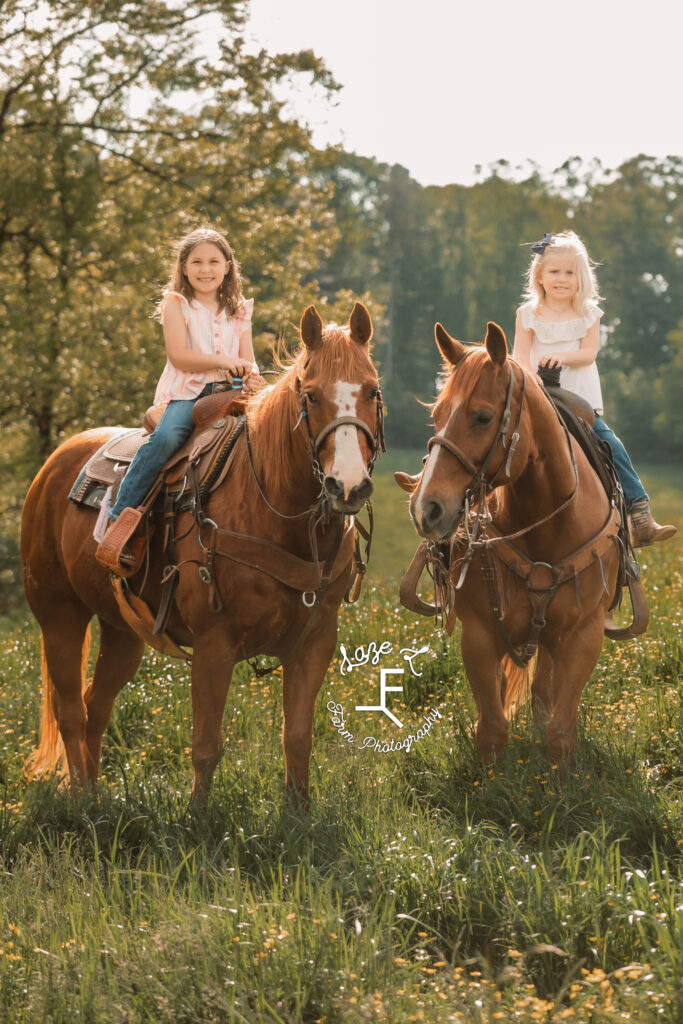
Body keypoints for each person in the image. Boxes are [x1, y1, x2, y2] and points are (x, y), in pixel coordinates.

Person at [97, 226, 260, 568]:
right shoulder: (177, 304)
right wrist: (222, 361)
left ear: (228, 266)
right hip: (190, 393)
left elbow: (247, 357)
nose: (205, 269)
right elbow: (178, 356)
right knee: (166, 439)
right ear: (184, 267)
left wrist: (253, 377)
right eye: (196, 262)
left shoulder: (239, 309)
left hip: (233, 393)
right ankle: (119, 519)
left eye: (214, 261)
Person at [513, 230, 676, 547]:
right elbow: (519, 358)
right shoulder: (527, 315)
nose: (562, 278)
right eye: (555, 271)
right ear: (540, 276)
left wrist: (558, 357)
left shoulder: (588, 314)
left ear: (581, 278)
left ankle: (639, 511)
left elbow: (588, 353)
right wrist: (536, 375)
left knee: (610, 443)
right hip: (538, 398)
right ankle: (476, 511)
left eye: (570, 272)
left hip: (579, 399)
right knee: (499, 439)